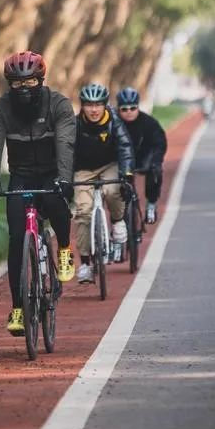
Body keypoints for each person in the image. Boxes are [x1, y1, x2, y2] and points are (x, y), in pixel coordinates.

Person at [0, 50, 76, 336]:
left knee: (56, 204)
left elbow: (65, 142)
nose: (23, 89)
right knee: (15, 240)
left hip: (51, 173)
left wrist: (63, 178)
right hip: (21, 176)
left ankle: (63, 248)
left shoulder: (58, 104)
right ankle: (19, 308)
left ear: (41, 80)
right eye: (17, 83)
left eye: (30, 82)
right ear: (9, 84)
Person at [73, 82, 135, 282]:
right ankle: (85, 264)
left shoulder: (114, 121)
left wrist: (126, 173)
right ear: (82, 106)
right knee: (83, 211)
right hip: (83, 170)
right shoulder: (75, 124)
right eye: (89, 105)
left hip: (109, 165)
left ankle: (117, 222)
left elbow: (125, 146)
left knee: (112, 189)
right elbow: (65, 151)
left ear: (105, 105)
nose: (93, 109)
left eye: (98, 104)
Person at [116, 87, 167, 224]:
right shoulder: (113, 123)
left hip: (143, 158)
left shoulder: (149, 123)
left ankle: (151, 204)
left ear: (138, 107)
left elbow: (159, 143)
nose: (129, 112)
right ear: (118, 109)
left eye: (133, 108)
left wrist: (156, 161)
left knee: (155, 171)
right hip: (121, 160)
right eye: (124, 109)